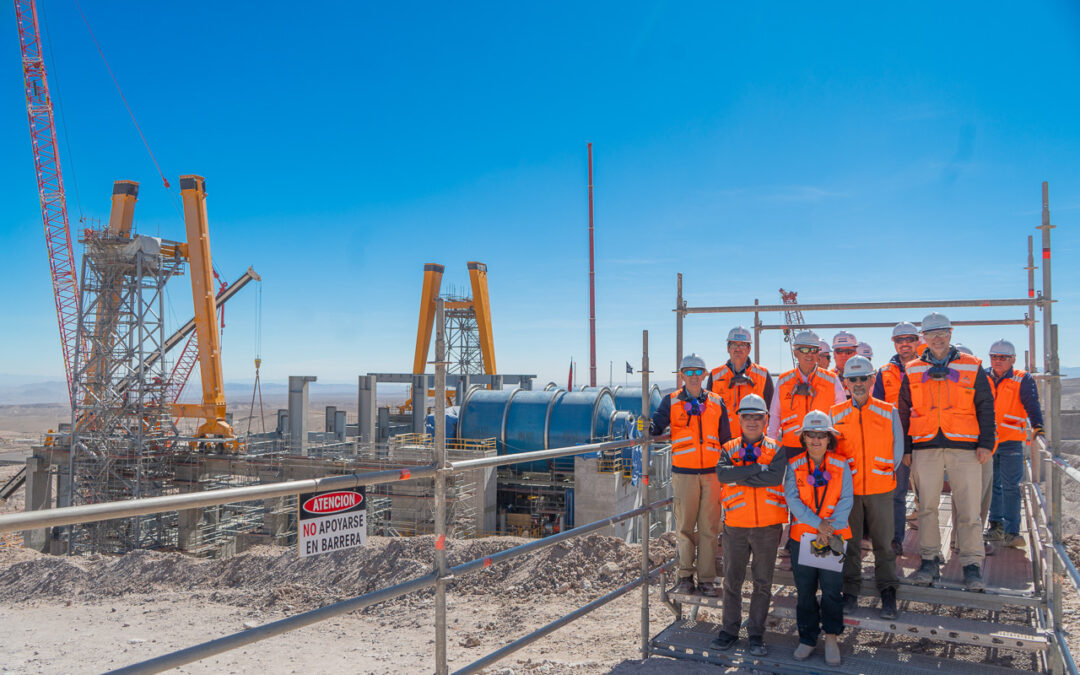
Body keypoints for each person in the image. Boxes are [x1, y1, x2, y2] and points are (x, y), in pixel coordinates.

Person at [899, 313, 995, 591]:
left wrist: (986, 443)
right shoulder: (913, 369)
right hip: (925, 446)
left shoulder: (971, 366)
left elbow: (985, 404)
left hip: (965, 447)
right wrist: (906, 448)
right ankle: (929, 561)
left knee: (969, 510)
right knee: (926, 508)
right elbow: (904, 410)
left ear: (951, 334)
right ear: (924, 338)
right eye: (932, 334)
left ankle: (972, 565)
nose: (938, 338)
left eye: (942, 332)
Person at [712, 394, 787, 656]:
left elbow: (774, 479)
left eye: (757, 416)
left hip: (768, 527)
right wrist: (758, 468)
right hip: (736, 525)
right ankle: (729, 631)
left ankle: (756, 634)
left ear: (766, 419)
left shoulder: (777, 449)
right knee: (732, 581)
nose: (752, 421)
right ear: (739, 419)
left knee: (762, 583)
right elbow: (723, 474)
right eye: (747, 416)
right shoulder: (728, 448)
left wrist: (739, 475)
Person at [651, 353, 732, 596]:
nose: (694, 376)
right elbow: (656, 426)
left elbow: (726, 440)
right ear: (682, 375)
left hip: (712, 474)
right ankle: (685, 576)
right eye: (689, 372)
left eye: (698, 372)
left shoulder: (717, 402)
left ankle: (706, 579)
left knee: (709, 528)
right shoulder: (671, 401)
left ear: (705, 375)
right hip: (684, 474)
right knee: (685, 528)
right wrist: (646, 426)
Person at [830, 356, 903, 619]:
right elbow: (832, 452)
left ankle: (888, 590)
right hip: (848, 492)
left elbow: (897, 451)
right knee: (849, 543)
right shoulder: (835, 413)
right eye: (853, 379)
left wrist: (880, 472)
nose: (858, 383)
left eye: (863, 378)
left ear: (872, 380)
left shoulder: (888, 411)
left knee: (884, 543)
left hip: (880, 489)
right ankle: (850, 590)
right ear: (845, 382)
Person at [785, 410, 854, 666]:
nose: (816, 440)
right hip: (803, 536)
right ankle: (807, 638)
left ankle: (832, 638)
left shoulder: (841, 464)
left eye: (821, 435)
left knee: (832, 591)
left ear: (829, 438)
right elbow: (792, 499)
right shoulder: (794, 465)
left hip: (832, 537)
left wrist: (828, 529)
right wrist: (818, 524)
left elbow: (846, 499)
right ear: (803, 437)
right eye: (811, 435)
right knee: (805, 591)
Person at [985, 339, 1044, 549]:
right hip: (988, 441)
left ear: (1013, 359)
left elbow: (1032, 403)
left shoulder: (1022, 378)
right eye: (994, 356)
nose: (998, 361)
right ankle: (996, 526)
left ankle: (1012, 532)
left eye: (1003, 357)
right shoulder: (983, 376)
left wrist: (1037, 425)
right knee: (992, 485)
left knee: (1011, 487)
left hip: (1011, 441)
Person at [873, 321, 920, 557]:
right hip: (897, 440)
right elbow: (876, 408)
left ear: (918, 341)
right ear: (894, 343)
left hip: (923, 438)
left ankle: (930, 549)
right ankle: (895, 539)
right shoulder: (884, 372)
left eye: (909, 339)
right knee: (897, 494)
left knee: (927, 498)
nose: (905, 344)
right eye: (900, 340)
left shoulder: (926, 368)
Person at [768, 331, 845, 460]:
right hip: (791, 448)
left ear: (818, 353)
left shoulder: (831, 380)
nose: (809, 354)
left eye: (814, 350)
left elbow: (842, 417)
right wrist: (770, 450)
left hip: (822, 448)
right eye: (804, 349)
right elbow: (775, 417)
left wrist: (838, 447)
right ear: (795, 353)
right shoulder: (784, 381)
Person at [706, 326, 774, 439]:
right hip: (724, 440)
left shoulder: (763, 375)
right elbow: (709, 411)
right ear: (728, 348)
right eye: (734, 344)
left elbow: (772, 410)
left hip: (755, 440)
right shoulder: (715, 376)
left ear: (749, 349)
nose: (738, 349)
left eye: (742, 345)